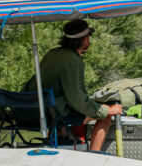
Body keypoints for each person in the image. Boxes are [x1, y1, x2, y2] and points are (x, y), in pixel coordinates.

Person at [27, 19, 122, 153]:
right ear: (83, 39)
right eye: (88, 36)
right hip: (53, 114)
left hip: (33, 109)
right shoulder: (73, 61)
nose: (89, 40)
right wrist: (107, 110)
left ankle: (64, 138)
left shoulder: (52, 54)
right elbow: (77, 100)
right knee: (105, 116)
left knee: (80, 110)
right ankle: (94, 155)